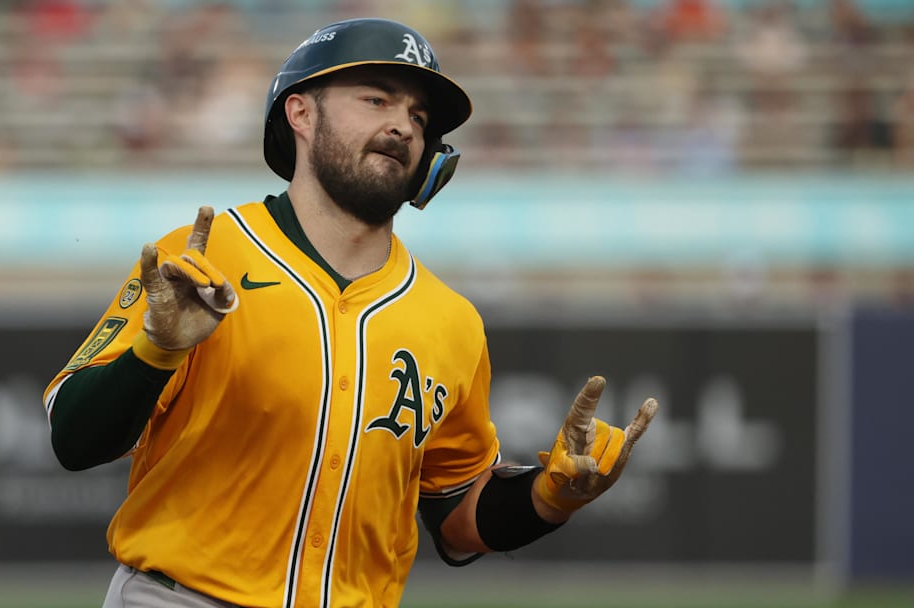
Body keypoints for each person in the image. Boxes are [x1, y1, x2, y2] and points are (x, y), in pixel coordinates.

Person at [43, 17, 658, 608]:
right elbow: (73, 439)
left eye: (418, 116)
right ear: (301, 112)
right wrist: (156, 352)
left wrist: (549, 498)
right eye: (376, 100)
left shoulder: (451, 321)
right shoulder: (201, 258)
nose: (403, 126)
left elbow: (455, 517)